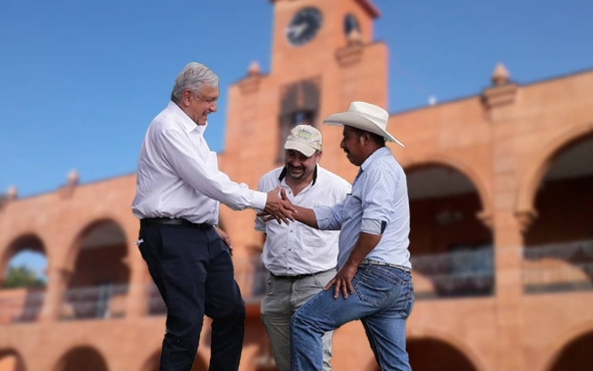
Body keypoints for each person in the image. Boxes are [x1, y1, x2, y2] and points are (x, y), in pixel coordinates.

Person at [131, 62, 296, 371]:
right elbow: (208, 182)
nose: (215, 107)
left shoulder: (194, 133)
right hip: (171, 236)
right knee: (187, 321)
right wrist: (264, 200)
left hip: (199, 234)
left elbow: (197, 188)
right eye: (209, 100)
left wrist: (209, 225)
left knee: (231, 311)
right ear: (188, 97)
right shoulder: (168, 128)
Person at [260, 101, 414, 371]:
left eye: (347, 137)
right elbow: (336, 215)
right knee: (395, 365)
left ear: (365, 138)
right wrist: (289, 209)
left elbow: (374, 225)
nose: (343, 144)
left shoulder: (379, 170)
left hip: (374, 275)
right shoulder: (375, 170)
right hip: (395, 282)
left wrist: (349, 267)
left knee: (304, 322)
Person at [254, 125, 351, 371]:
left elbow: (354, 234)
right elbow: (263, 230)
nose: (295, 162)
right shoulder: (266, 181)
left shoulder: (339, 189)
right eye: (291, 154)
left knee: (316, 363)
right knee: (286, 365)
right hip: (277, 287)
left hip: (317, 285)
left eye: (303, 156)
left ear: (318, 155)